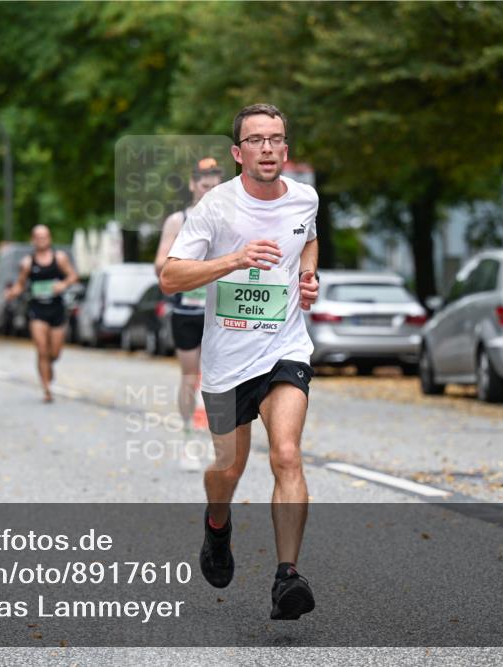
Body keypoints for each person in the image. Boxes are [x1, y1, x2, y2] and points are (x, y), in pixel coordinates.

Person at [159, 103, 321, 620]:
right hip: (229, 362)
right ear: (238, 152)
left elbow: (308, 240)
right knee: (228, 469)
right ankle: (217, 526)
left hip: (285, 349)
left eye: (275, 139)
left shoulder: (305, 199)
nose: (267, 148)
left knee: (288, 455)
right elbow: (169, 276)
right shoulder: (214, 208)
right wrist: (234, 258)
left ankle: (287, 577)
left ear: (285, 149)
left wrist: (308, 278)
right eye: (255, 140)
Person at [154, 157, 224, 471]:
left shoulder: (230, 217)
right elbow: (160, 265)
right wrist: (191, 264)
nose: (210, 190)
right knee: (189, 378)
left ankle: (215, 441)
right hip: (187, 309)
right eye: (204, 185)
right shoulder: (178, 219)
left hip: (220, 310)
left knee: (219, 380)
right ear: (194, 185)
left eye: (215, 185)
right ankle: (187, 441)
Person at [5, 225, 78, 403]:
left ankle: (50, 365)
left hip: (56, 309)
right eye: (38, 237)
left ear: (50, 238)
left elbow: (73, 276)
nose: (41, 240)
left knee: (55, 352)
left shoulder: (59, 258)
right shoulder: (28, 263)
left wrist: (62, 285)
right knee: (42, 349)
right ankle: (46, 388)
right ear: (33, 240)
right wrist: (12, 292)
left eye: (44, 236)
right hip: (37, 310)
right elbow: (21, 284)